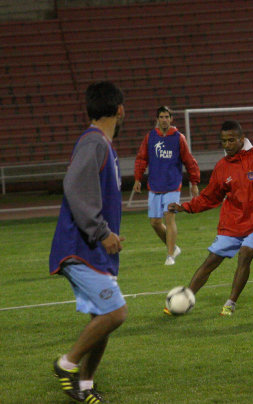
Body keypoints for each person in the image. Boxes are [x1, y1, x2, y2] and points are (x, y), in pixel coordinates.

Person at [168, 120, 253, 316]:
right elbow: (210, 196)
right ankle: (184, 300)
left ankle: (230, 303)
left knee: (245, 254)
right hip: (232, 223)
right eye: (223, 141)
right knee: (211, 260)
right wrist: (185, 207)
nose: (227, 145)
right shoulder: (222, 167)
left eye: (231, 140)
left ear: (241, 139)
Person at [49, 81, 127, 403]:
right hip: (80, 249)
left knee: (102, 319)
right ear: (120, 110)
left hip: (92, 250)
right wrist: (101, 232)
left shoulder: (103, 145)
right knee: (116, 313)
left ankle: (84, 385)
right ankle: (66, 364)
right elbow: (75, 187)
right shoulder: (94, 142)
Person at [133, 106, 201, 265]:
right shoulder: (150, 137)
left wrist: (194, 182)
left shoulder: (178, 138)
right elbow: (142, 158)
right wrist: (137, 179)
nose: (164, 120)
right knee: (155, 222)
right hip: (155, 186)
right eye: (161, 117)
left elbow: (189, 161)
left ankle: (170, 255)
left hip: (172, 186)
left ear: (171, 119)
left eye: (166, 117)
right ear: (157, 119)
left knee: (169, 218)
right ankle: (174, 247)